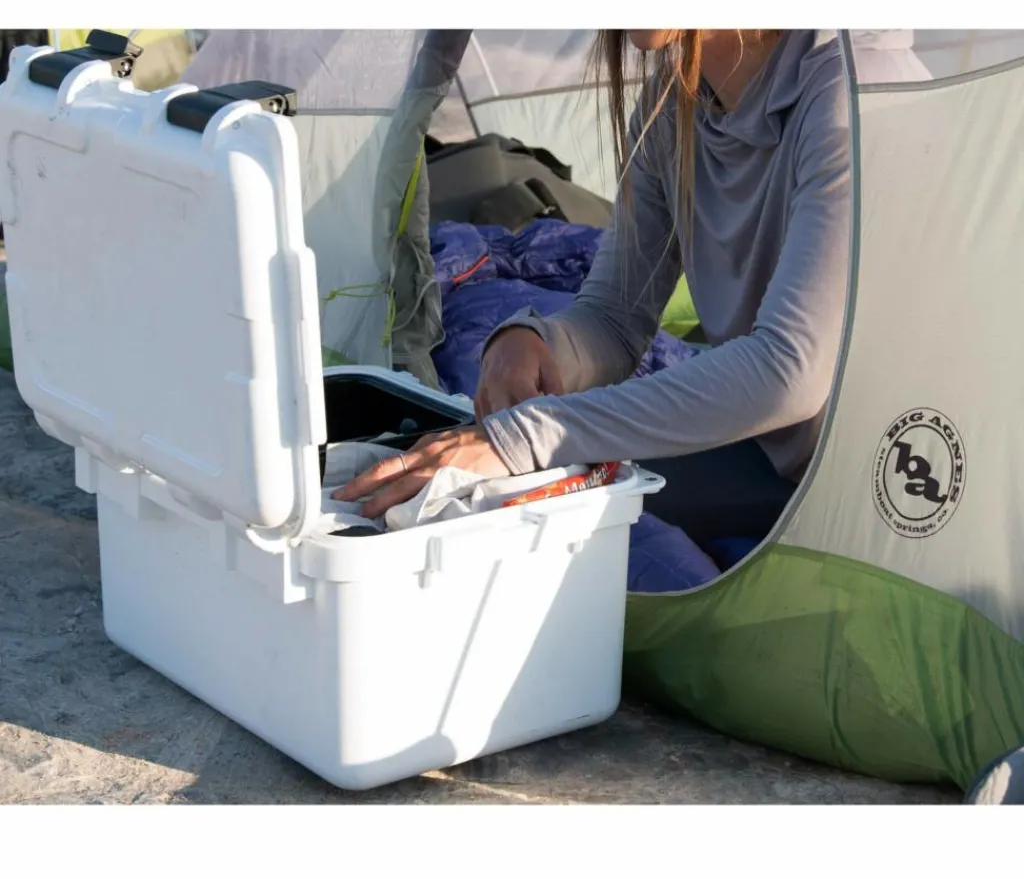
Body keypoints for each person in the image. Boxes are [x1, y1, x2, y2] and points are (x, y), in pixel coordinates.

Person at [334, 30, 927, 548]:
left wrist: (529, 437)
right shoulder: (675, 100)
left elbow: (788, 374)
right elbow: (615, 318)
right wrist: (534, 342)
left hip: (904, 493)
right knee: (485, 505)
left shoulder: (859, 93)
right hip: (778, 461)